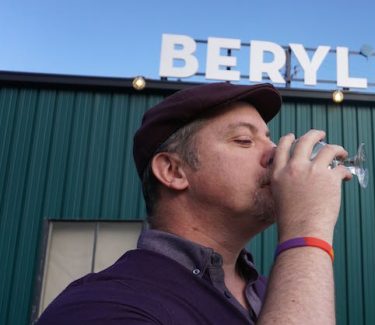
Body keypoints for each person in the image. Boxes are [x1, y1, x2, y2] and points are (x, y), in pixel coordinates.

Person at [37, 82, 352, 324]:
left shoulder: (274, 290)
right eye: (244, 140)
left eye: (269, 138)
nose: (275, 153)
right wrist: (307, 230)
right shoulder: (102, 305)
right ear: (173, 171)